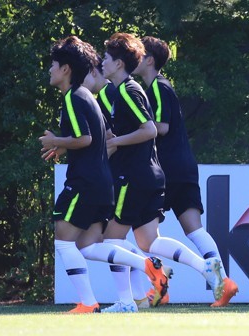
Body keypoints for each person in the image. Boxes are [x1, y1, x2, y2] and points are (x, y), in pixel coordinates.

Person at [40, 35, 168, 314]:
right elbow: (101, 136)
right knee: (88, 246)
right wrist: (64, 145)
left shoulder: (74, 97)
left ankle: (88, 302)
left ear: (66, 69)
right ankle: (146, 265)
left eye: (53, 64)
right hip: (102, 183)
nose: (49, 70)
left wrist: (58, 142)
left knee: (63, 239)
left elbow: (84, 139)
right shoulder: (90, 97)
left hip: (84, 182)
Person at [100, 32, 224, 312]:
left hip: (133, 176)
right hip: (150, 175)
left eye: (106, 58)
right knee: (148, 240)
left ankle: (125, 302)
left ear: (119, 64)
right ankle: (204, 266)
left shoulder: (128, 91)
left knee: (110, 240)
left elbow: (151, 129)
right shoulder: (124, 90)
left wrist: (114, 142)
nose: (102, 62)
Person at [132, 36, 239, 307]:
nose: (135, 58)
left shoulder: (156, 86)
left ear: (150, 60)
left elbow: (162, 127)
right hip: (184, 166)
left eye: (139, 54)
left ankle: (158, 286)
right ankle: (223, 283)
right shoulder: (162, 86)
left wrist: (127, 133)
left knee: (141, 236)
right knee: (194, 229)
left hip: (166, 169)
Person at [82, 59, 171, 309]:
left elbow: (139, 132)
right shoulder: (109, 95)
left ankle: (129, 296)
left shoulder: (115, 92)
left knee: (106, 241)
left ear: (93, 72)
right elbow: (110, 138)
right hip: (126, 175)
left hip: (128, 176)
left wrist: (105, 154)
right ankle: (140, 294)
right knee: (122, 241)